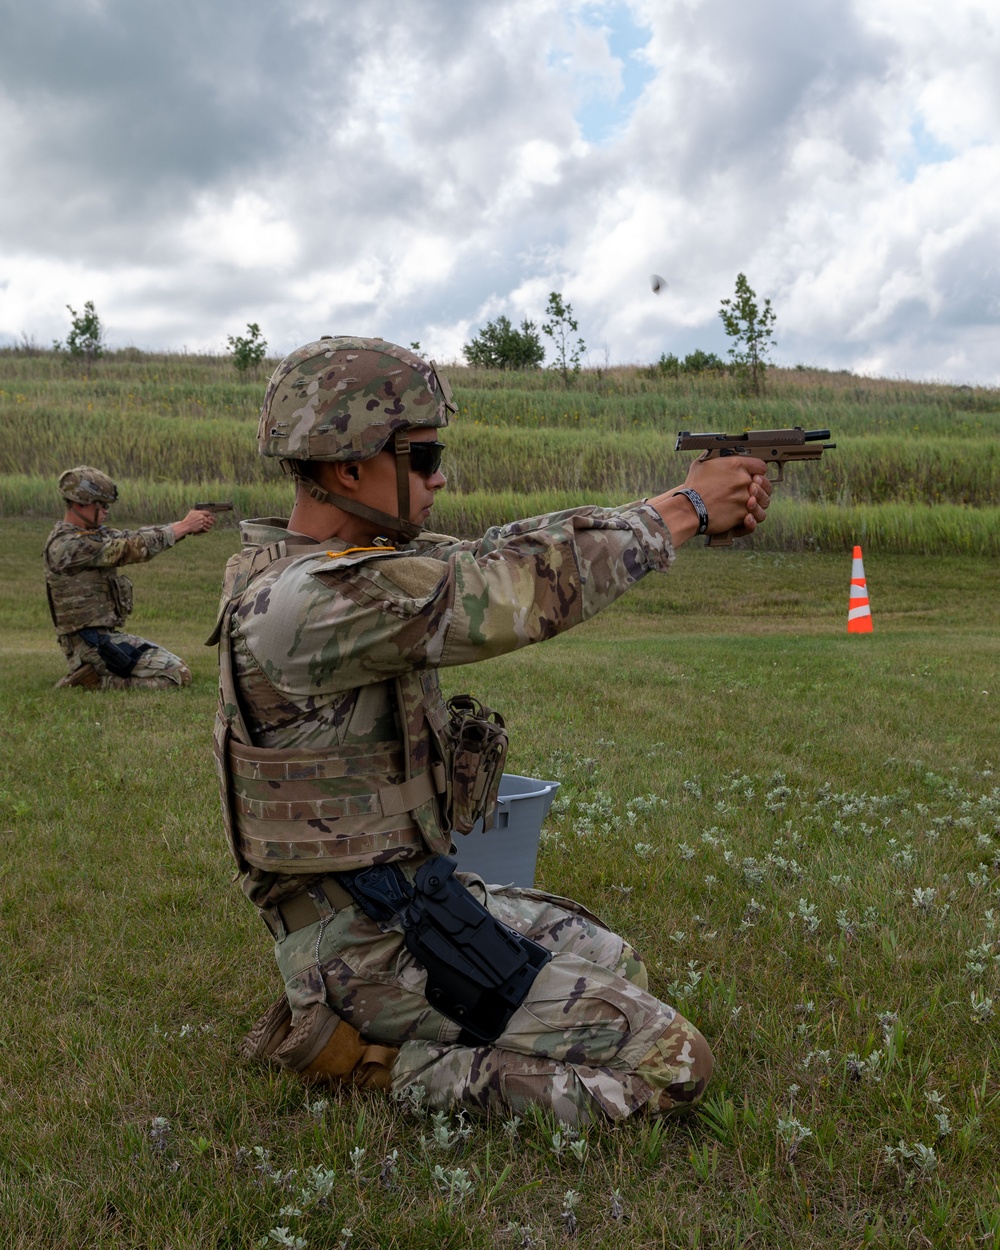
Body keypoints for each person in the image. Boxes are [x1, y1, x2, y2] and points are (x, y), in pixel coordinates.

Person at [213, 337, 771, 1126]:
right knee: (674, 1064)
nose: (440, 474)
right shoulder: (309, 604)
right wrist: (688, 511)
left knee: (617, 960)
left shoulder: (326, 567)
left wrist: (679, 504)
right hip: (369, 949)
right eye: (425, 452)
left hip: (415, 903)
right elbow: (503, 587)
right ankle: (376, 1060)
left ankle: (400, 1029)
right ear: (348, 469)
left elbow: (498, 551)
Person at [43, 466, 216, 690]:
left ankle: (92, 678)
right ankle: (89, 684)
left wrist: (182, 528)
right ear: (80, 503)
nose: (106, 511)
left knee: (179, 666)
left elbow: (131, 536)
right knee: (177, 677)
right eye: (101, 505)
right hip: (88, 644)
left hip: (101, 638)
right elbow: (128, 548)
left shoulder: (90, 534)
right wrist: (182, 527)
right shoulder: (67, 546)